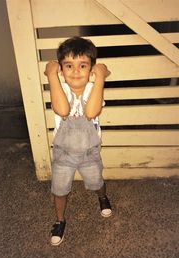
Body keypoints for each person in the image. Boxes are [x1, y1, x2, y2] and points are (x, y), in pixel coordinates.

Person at [44, 36, 112, 246]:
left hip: (89, 152)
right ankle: (59, 220)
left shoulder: (94, 89)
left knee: (96, 181)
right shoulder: (60, 89)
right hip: (63, 153)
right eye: (68, 66)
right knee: (59, 188)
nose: (75, 72)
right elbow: (62, 110)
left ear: (91, 69)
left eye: (82, 65)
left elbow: (91, 112)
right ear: (61, 70)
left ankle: (102, 197)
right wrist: (51, 76)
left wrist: (100, 78)